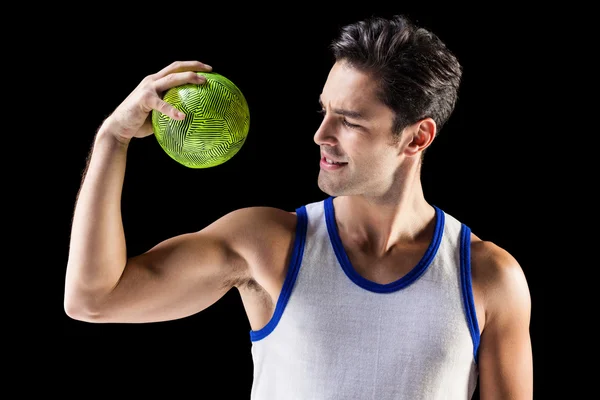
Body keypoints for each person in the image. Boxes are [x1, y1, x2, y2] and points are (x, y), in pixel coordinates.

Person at [64, 14, 533, 399]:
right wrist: (113, 138)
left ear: (417, 137)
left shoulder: (487, 277)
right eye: (323, 111)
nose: (321, 135)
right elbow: (93, 299)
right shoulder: (267, 245)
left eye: (348, 121)